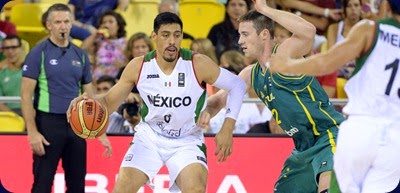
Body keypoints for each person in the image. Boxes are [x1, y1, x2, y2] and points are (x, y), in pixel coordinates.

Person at [67, 12, 246, 193]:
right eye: (165, 35)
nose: (172, 41)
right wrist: (88, 102)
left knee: (196, 189)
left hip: (187, 139)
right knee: (122, 189)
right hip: (150, 137)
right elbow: (108, 101)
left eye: (177, 35)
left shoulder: (197, 63)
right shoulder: (139, 66)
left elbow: (237, 85)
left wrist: (227, 128)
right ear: (154, 36)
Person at [199, 1, 345, 192]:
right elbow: (218, 100)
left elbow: (308, 31)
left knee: (328, 188)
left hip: (328, 135)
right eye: (239, 35)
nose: (240, 41)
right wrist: (199, 113)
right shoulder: (250, 74)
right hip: (302, 148)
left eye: (245, 34)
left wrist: (265, 10)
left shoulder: (283, 56)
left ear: (264, 35)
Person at [269, 0, 400, 192]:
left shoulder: (369, 29)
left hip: (363, 127)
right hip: (395, 136)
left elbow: (327, 62)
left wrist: (287, 66)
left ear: (386, 6)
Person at [20, 4, 112, 193]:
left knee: (77, 185)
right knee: (42, 185)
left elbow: (90, 96)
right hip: (48, 124)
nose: (63, 26)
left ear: (72, 24)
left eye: (67, 22)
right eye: (58, 22)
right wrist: (32, 131)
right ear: (49, 25)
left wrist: (99, 130)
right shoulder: (38, 53)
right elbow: (25, 94)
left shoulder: (81, 55)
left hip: (76, 125)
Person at [81, 10, 127, 80]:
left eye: (110, 22)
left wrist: (123, 65)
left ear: (118, 25)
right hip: (98, 80)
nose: (106, 25)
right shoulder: (99, 41)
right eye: (104, 22)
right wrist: (95, 34)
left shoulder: (125, 42)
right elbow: (82, 49)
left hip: (117, 80)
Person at [0, 35, 25, 116]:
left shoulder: (35, 71)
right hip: (10, 116)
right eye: (6, 48)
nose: (10, 51)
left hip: (35, 113)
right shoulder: (1, 75)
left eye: (14, 47)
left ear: (22, 48)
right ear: (3, 51)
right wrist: (15, 117)